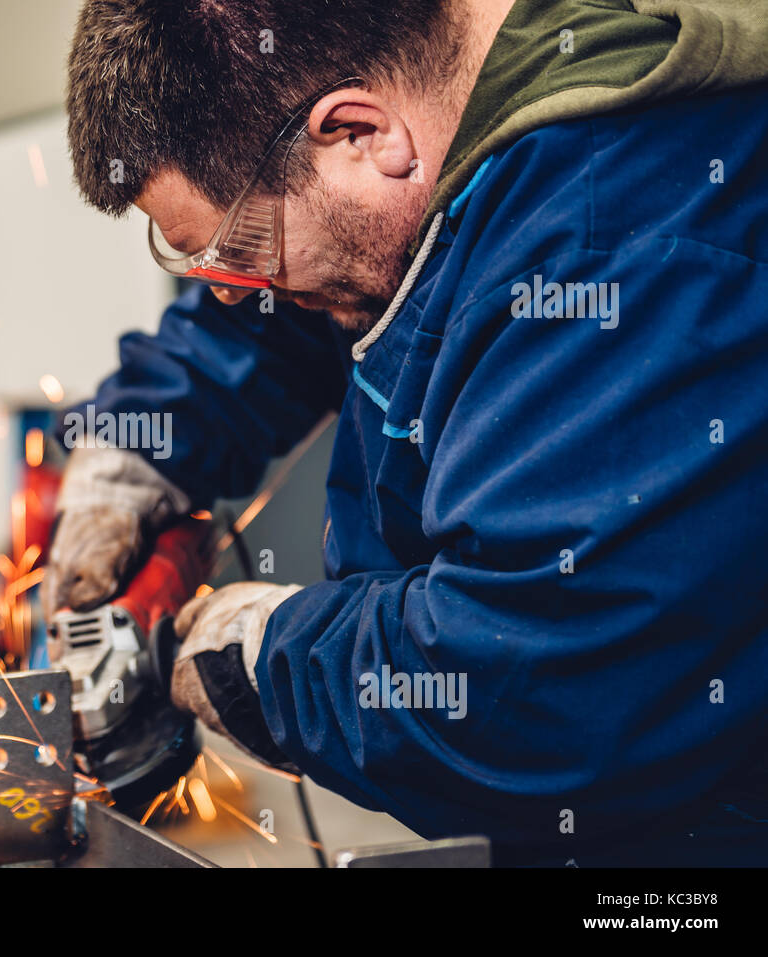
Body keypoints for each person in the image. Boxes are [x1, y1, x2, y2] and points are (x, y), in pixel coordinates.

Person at [42, 0, 768, 865]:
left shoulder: (620, 243)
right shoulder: (441, 120)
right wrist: (136, 445)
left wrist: (256, 657)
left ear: (358, 132)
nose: (234, 289)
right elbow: (280, 309)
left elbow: (533, 683)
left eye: (236, 252)